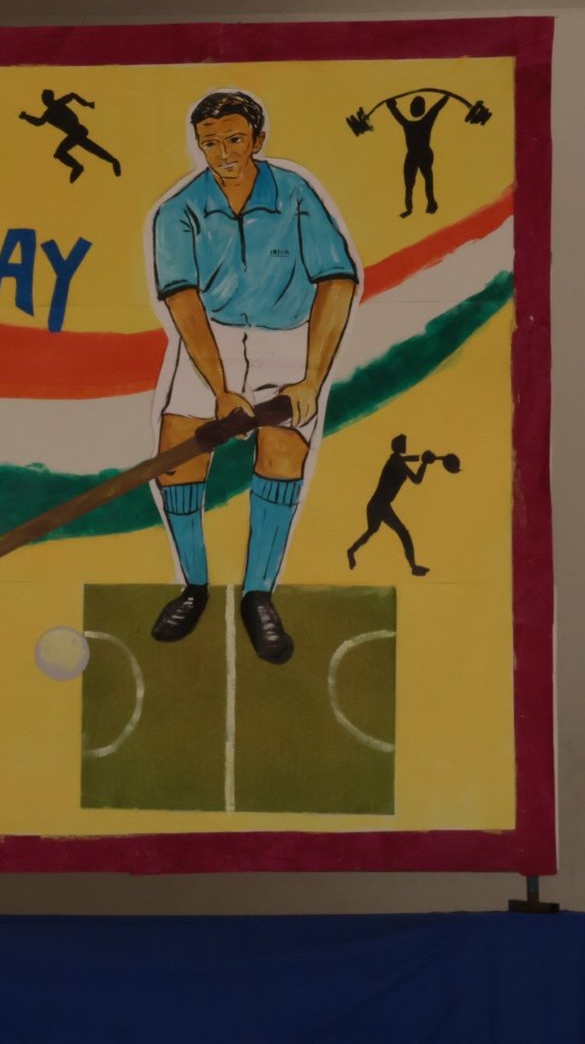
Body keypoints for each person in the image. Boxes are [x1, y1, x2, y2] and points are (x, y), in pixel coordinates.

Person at [147, 91, 358, 665]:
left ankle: (258, 595)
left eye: (235, 140)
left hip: (286, 337)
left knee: (283, 454)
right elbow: (184, 302)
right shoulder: (178, 210)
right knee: (177, 454)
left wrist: (311, 379)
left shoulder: (295, 194)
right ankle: (194, 586)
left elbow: (337, 281)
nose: (223, 154)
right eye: (210, 144)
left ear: (257, 140)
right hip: (209, 339)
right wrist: (220, 390)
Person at [346, 434, 434, 575]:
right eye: (403, 443)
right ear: (399, 446)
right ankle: (413, 567)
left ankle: (351, 550)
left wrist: (423, 459)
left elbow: (410, 458)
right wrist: (424, 463)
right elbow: (417, 479)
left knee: (371, 531)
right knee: (403, 533)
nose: (405, 445)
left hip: (377, 504)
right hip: (380, 505)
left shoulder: (395, 459)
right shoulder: (397, 462)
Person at [18, 89, 122, 182]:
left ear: (50, 98)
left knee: (84, 149)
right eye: (43, 98)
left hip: (77, 130)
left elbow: (72, 95)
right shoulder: (49, 112)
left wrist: (86, 103)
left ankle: (80, 166)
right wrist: (26, 117)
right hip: (75, 133)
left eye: (45, 98)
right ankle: (108, 161)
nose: (43, 100)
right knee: (89, 148)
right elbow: (39, 122)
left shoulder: (57, 105)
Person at [387, 93, 449, 217]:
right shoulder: (415, 123)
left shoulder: (419, 122)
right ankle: (410, 209)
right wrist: (391, 105)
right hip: (413, 155)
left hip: (424, 154)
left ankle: (431, 203)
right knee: (410, 184)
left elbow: (436, 108)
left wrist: (391, 105)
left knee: (427, 179)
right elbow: (436, 108)